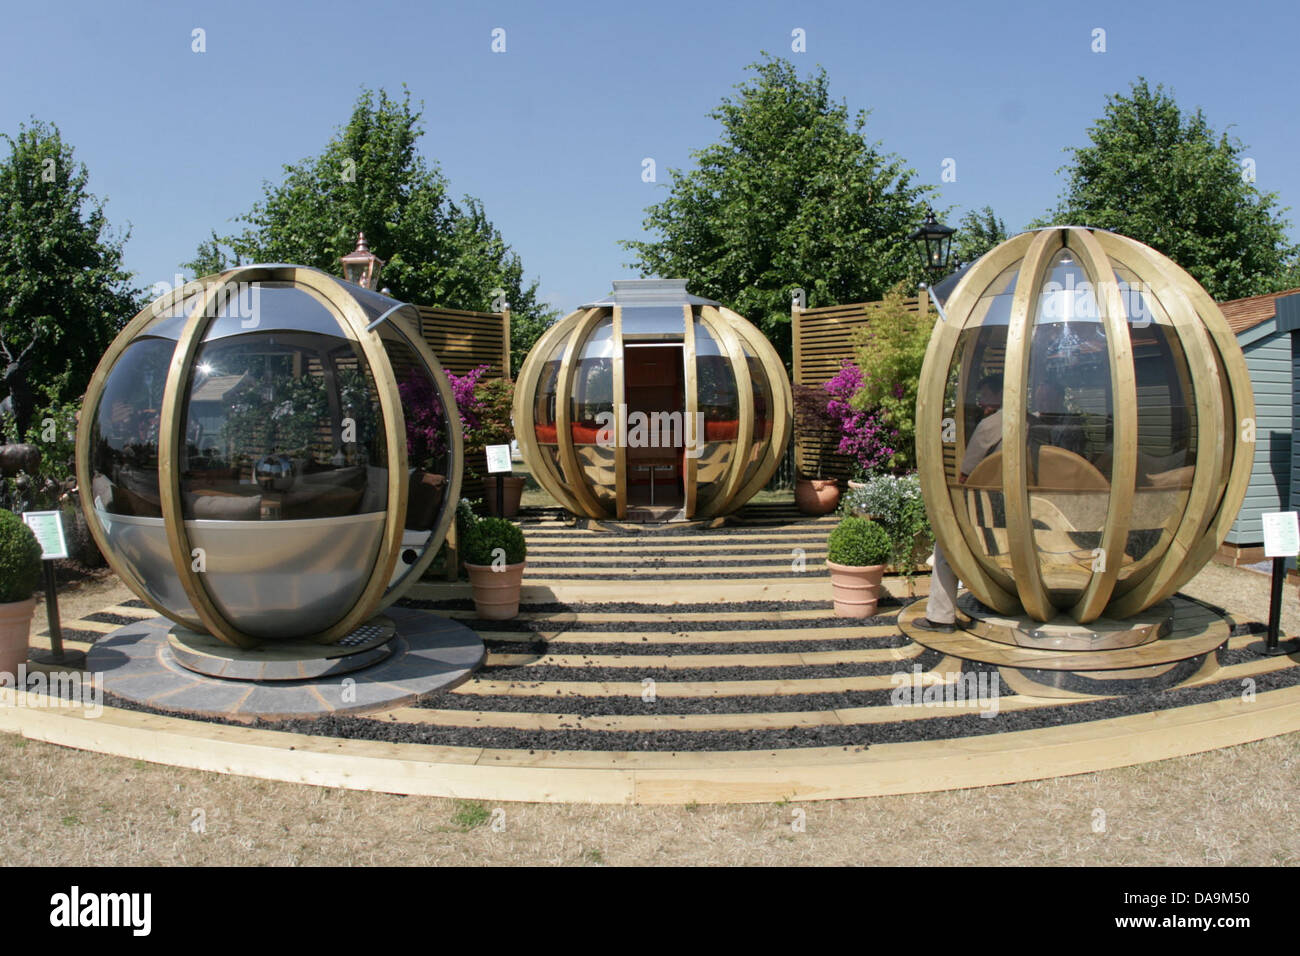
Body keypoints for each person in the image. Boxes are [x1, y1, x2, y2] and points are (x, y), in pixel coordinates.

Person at [914, 374, 1002, 633]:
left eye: (985, 394)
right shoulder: (1029, 421)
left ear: (999, 394)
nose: (981, 400)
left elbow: (965, 472)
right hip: (1020, 509)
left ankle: (940, 616)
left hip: (989, 506)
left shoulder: (991, 425)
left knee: (946, 546)